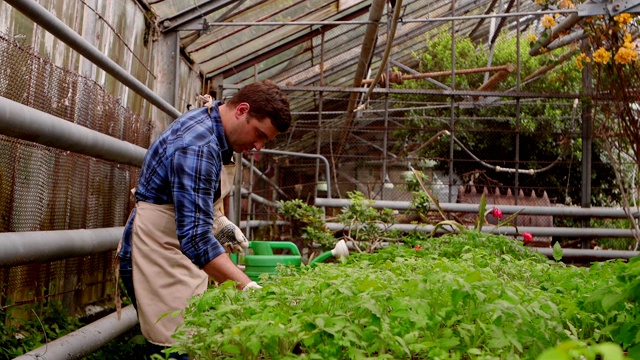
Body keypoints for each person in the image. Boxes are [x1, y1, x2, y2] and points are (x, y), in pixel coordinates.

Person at [116, 80, 291, 359]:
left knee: (192, 340)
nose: (258, 146)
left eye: (265, 140)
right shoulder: (197, 145)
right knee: (177, 350)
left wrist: (217, 221)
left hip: (177, 249)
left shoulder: (215, 127)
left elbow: (191, 200)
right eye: (258, 134)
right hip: (159, 254)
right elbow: (196, 238)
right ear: (241, 110)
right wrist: (248, 287)